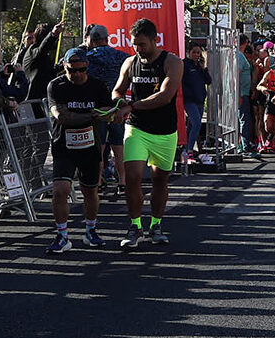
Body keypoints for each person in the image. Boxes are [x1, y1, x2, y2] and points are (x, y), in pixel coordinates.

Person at [112, 18, 183, 249]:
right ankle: (134, 225)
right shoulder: (130, 62)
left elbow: (165, 96)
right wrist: (118, 103)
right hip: (137, 128)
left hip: (164, 131)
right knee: (132, 177)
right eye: (134, 44)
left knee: (159, 179)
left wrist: (130, 106)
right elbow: (117, 90)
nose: (137, 49)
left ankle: (156, 225)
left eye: (142, 44)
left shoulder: (172, 62)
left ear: (155, 40)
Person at [45, 48, 114, 253]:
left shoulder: (98, 86)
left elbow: (108, 113)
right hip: (64, 146)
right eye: (71, 70)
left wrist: (104, 114)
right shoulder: (56, 85)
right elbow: (61, 115)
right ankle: (62, 235)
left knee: (90, 190)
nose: (77, 74)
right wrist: (92, 116)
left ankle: (90, 230)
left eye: (81, 70)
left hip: (90, 147)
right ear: (64, 67)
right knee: (60, 190)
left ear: (87, 67)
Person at [85, 24, 130, 187]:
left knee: (99, 148)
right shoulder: (121, 56)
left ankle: (97, 182)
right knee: (118, 148)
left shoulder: (87, 58)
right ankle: (123, 182)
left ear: (92, 40)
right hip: (116, 106)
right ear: (107, 39)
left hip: (97, 109)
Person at [181, 42, 211, 164]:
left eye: (198, 52)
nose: (196, 55)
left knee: (192, 125)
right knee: (197, 123)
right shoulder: (184, 64)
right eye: (194, 52)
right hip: (189, 100)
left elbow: (208, 81)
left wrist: (203, 68)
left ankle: (185, 148)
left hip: (199, 99)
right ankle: (189, 150)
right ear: (189, 52)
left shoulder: (199, 66)